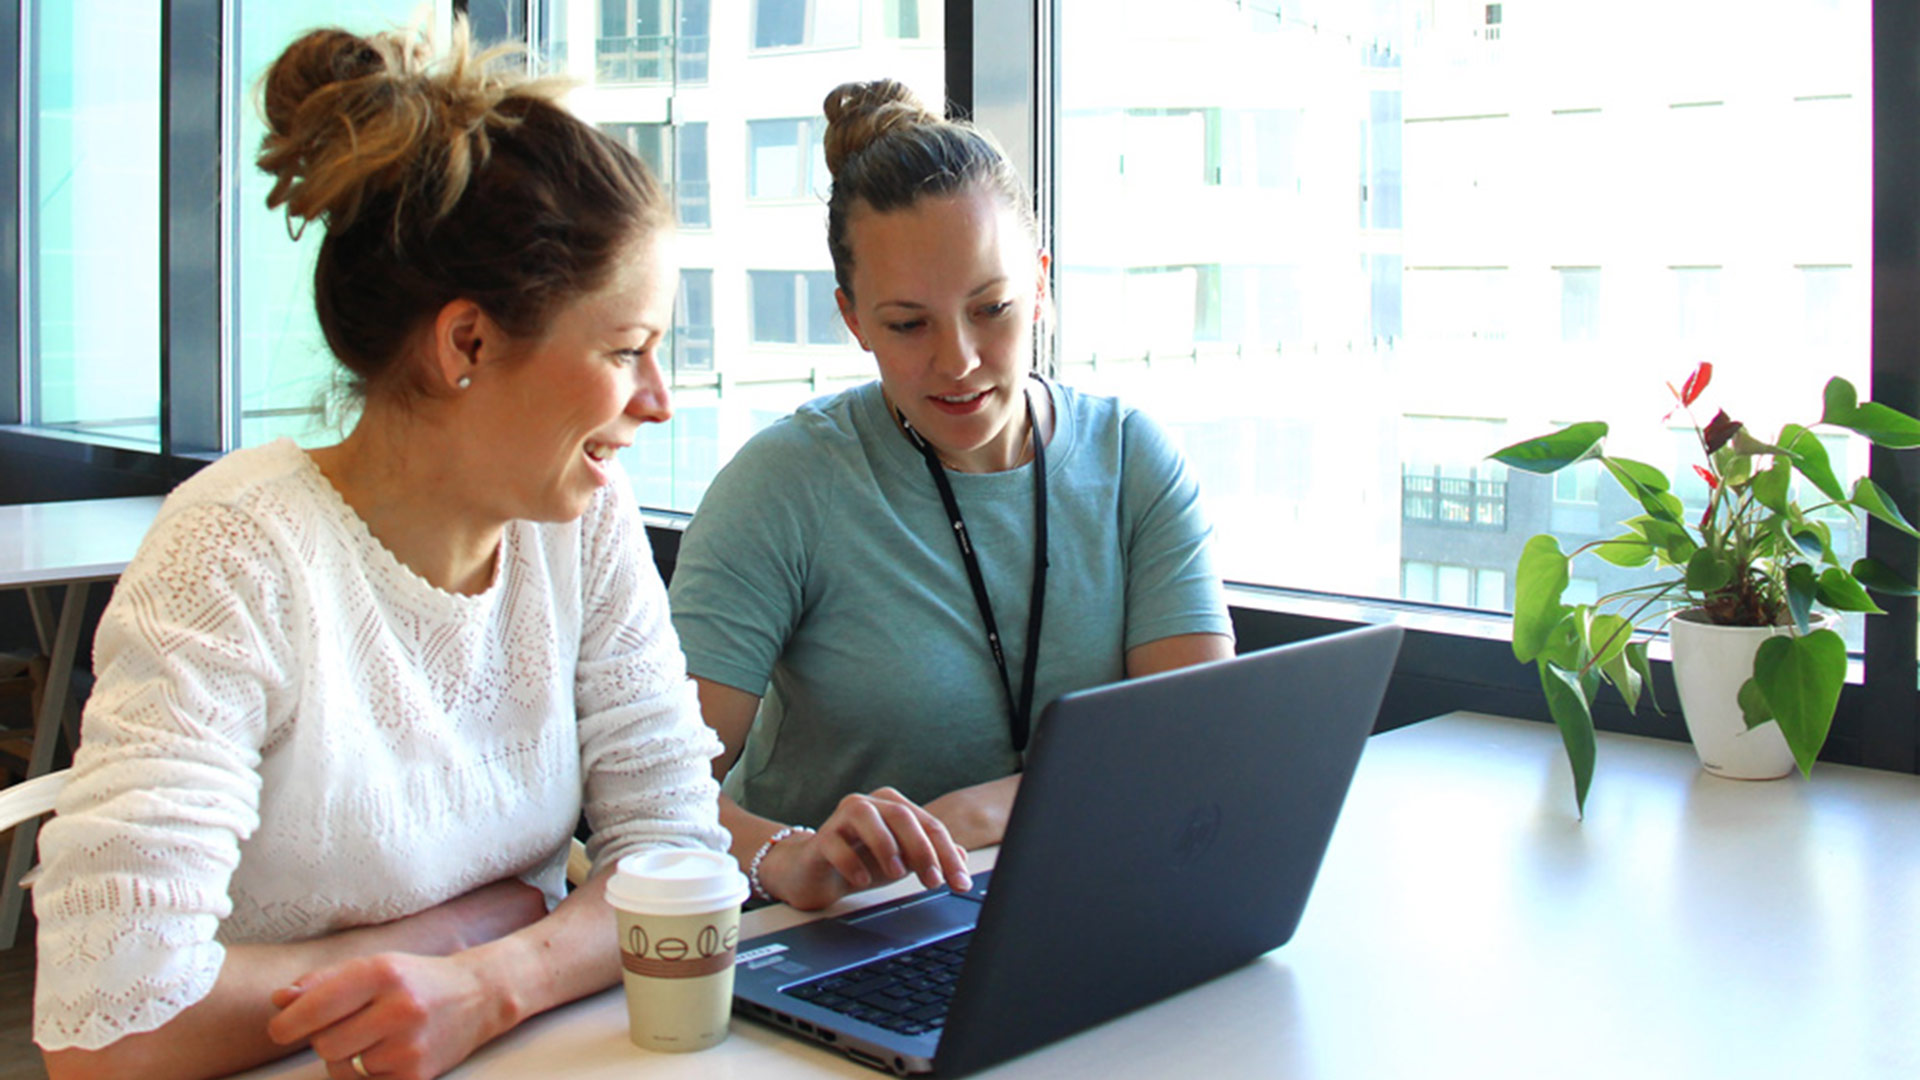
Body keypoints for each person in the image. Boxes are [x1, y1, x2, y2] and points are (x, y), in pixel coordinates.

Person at [31, 22, 727, 1080]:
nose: (659, 401)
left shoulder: (583, 519)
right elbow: (110, 1025)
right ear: (468, 344)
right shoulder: (234, 553)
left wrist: (497, 979)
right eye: (626, 350)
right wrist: (444, 940)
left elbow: (679, 859)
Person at [667, 79, 1235, 913]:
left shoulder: (1132, 461)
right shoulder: (782, 485)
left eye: (992, 308)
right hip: (826, 931)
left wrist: (974, 813)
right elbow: (651, 788)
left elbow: (1192, 745)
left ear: (1039, 285)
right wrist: (784, 858)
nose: (959, 360)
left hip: (1074, 900)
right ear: (853, 319)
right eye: (907, 324)